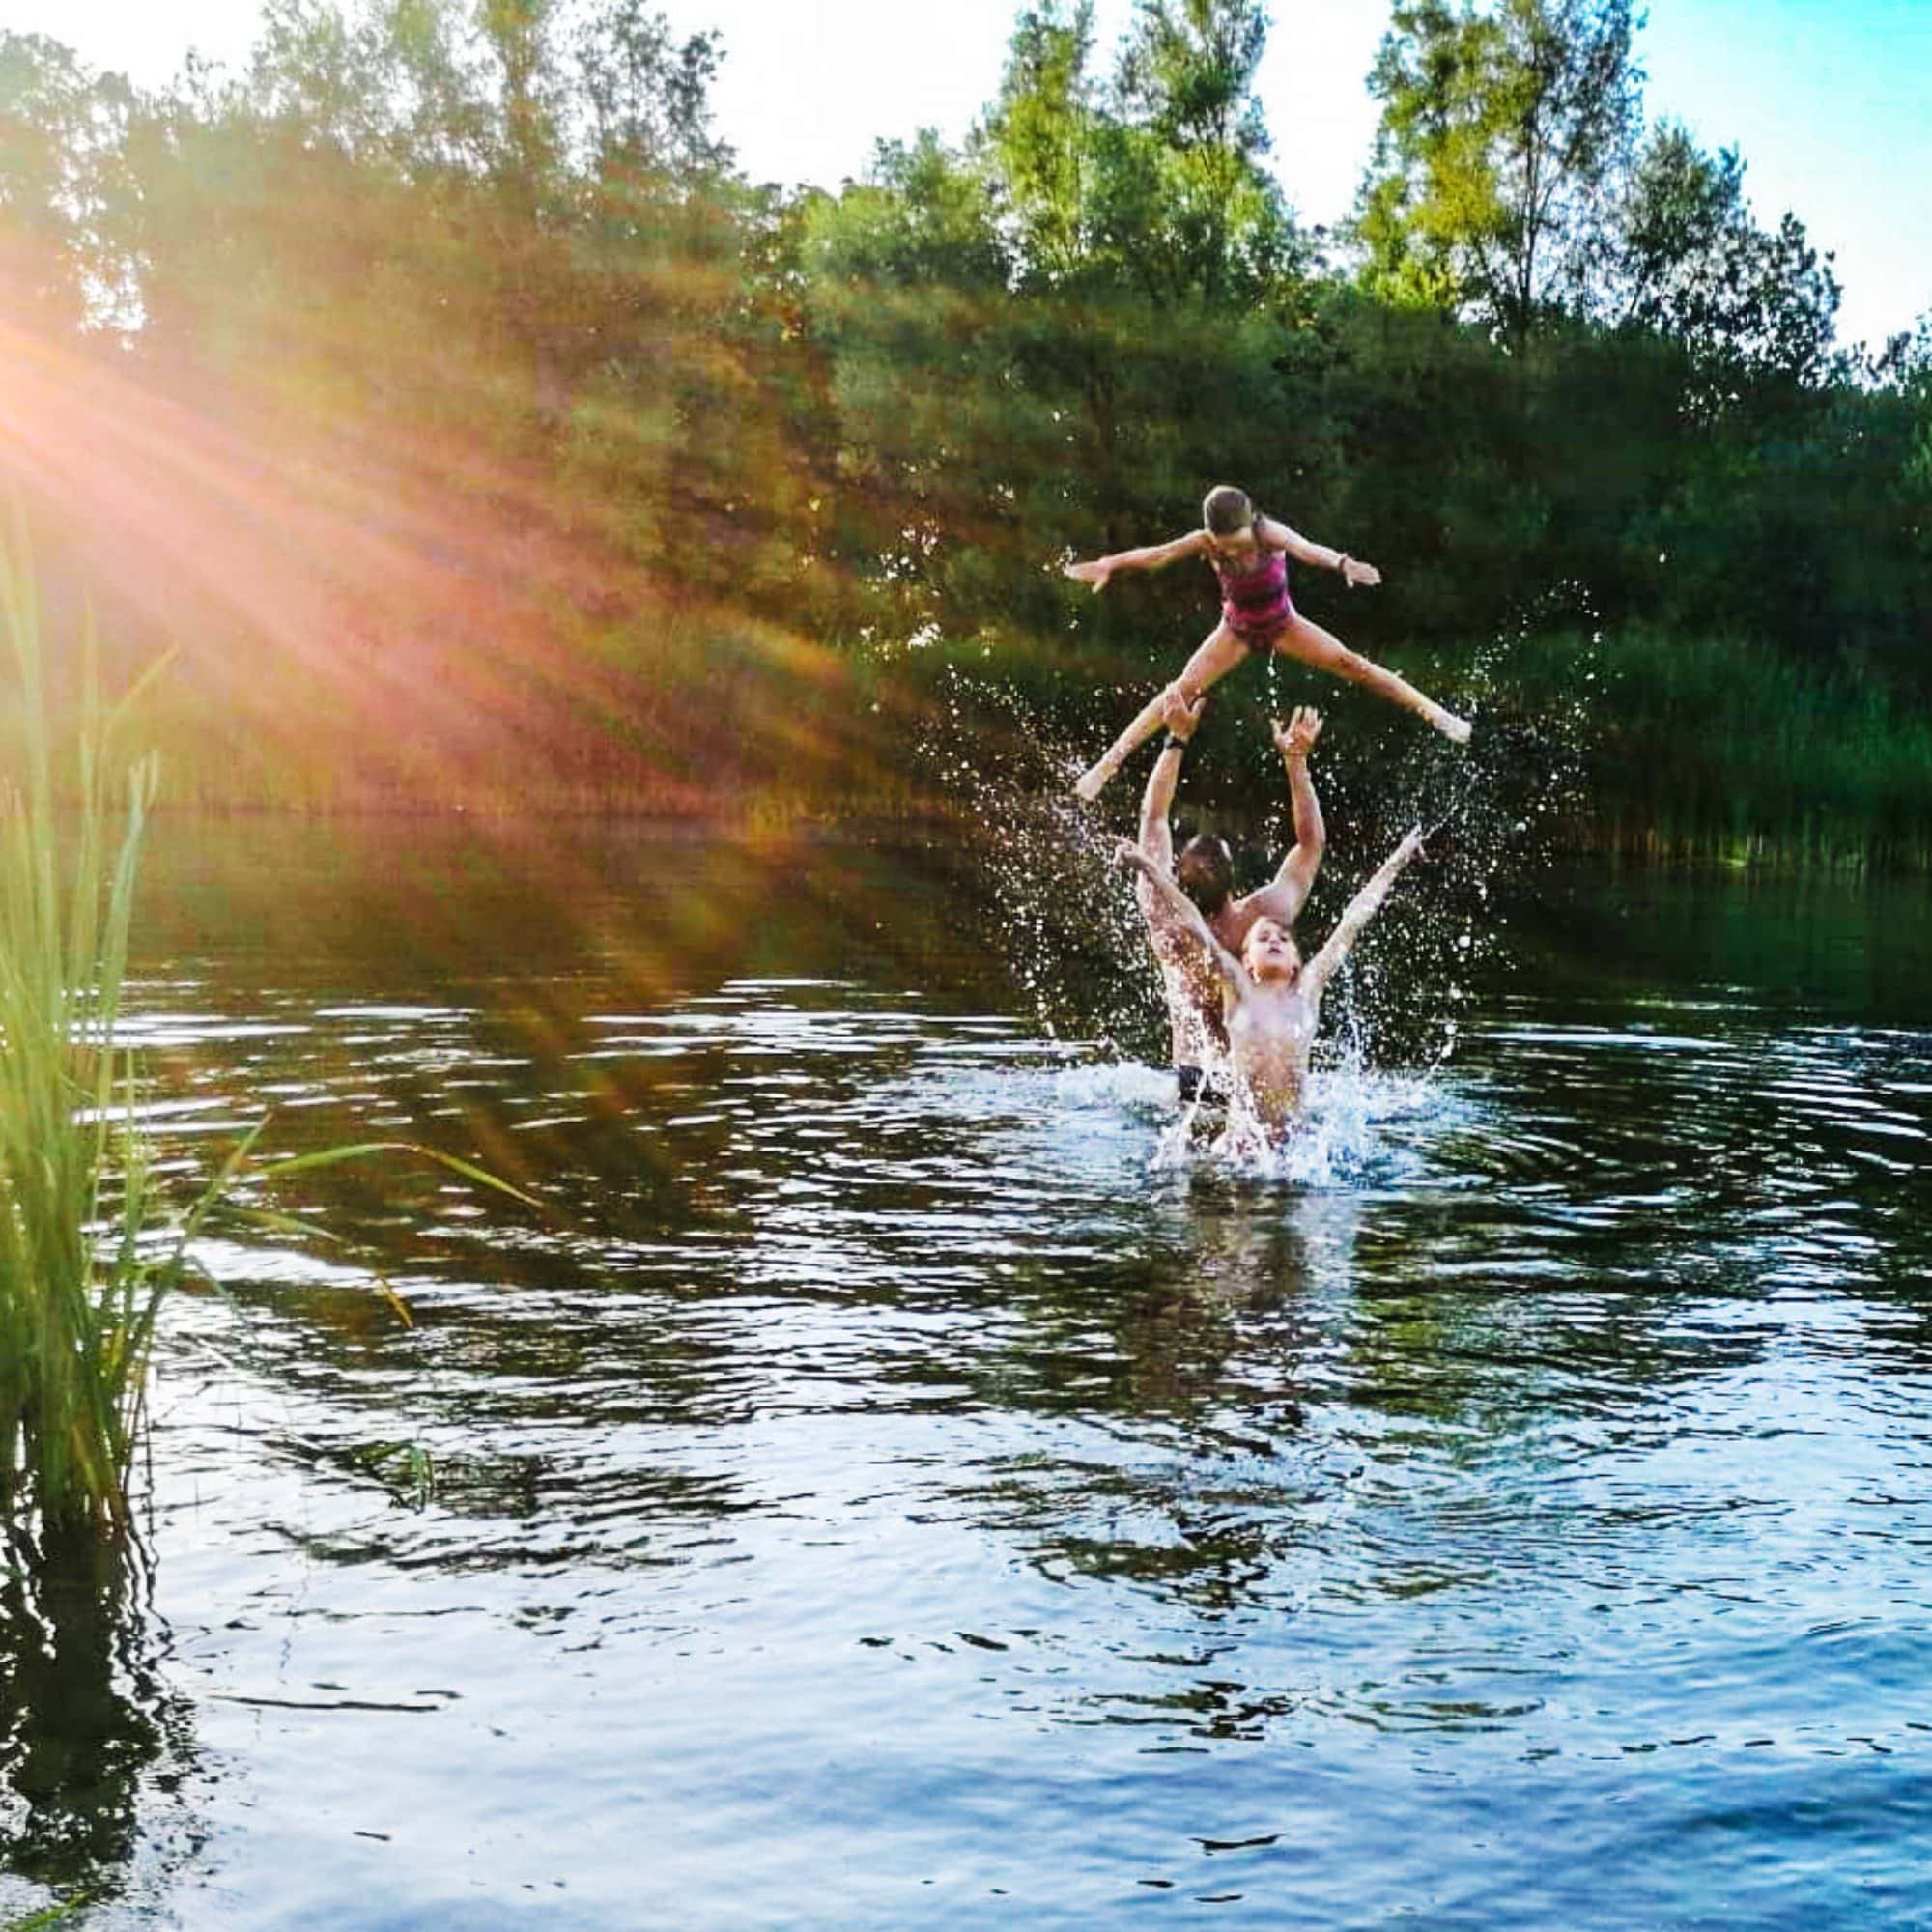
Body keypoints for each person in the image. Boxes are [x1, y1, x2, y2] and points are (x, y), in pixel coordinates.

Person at [1064, 484, 1471, 801]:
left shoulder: (1267, 532)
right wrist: (1110, 564)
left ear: (1251, 521)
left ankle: (1435, 714)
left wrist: (1342, 563)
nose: (1230, 550)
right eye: (1223, 544)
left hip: (1283, 624)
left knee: (1353, 664)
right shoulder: (1206, 541)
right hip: (1236, 631)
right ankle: (1107, 766)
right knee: (1179, 692)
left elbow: (1306, 548)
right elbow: (1159, 554)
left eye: (1237, 541)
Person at [1116, 821, 1428, 1148]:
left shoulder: (1308, 989)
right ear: (1247, 959)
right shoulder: (1237, 990)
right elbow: (1195, 922)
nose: (1275, 940)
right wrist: (1148, 867)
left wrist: (1397, 860)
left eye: (1282, 937)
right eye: (1263, 938)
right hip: (1242, 1144)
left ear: (1296, 959)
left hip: (1296, 1146)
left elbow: (1353, 919)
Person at [1134, 685, 1327, 1106]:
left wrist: (1297, 763)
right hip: (1193, 1080)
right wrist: (1175, 739)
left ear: (1231, 880)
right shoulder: (1165, 911)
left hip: (1248, 1083)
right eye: (1196, 858)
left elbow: (1310, 848)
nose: (1203, 862)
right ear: (1176, 873)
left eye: (1213, 858)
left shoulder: (1257, 920)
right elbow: (1152, 818)